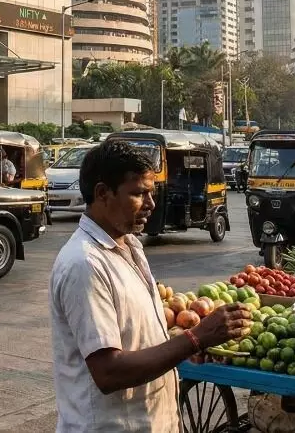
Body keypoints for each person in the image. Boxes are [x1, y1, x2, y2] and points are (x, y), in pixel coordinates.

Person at [50, 139, 251, 432]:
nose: (151, 204)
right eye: (138, 193)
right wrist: (195, 338)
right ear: (102, 193)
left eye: (151, 193)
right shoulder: (84, 264)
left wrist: (184, 347)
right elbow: (108, 372)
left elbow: (137, 339)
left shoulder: (129, 245)